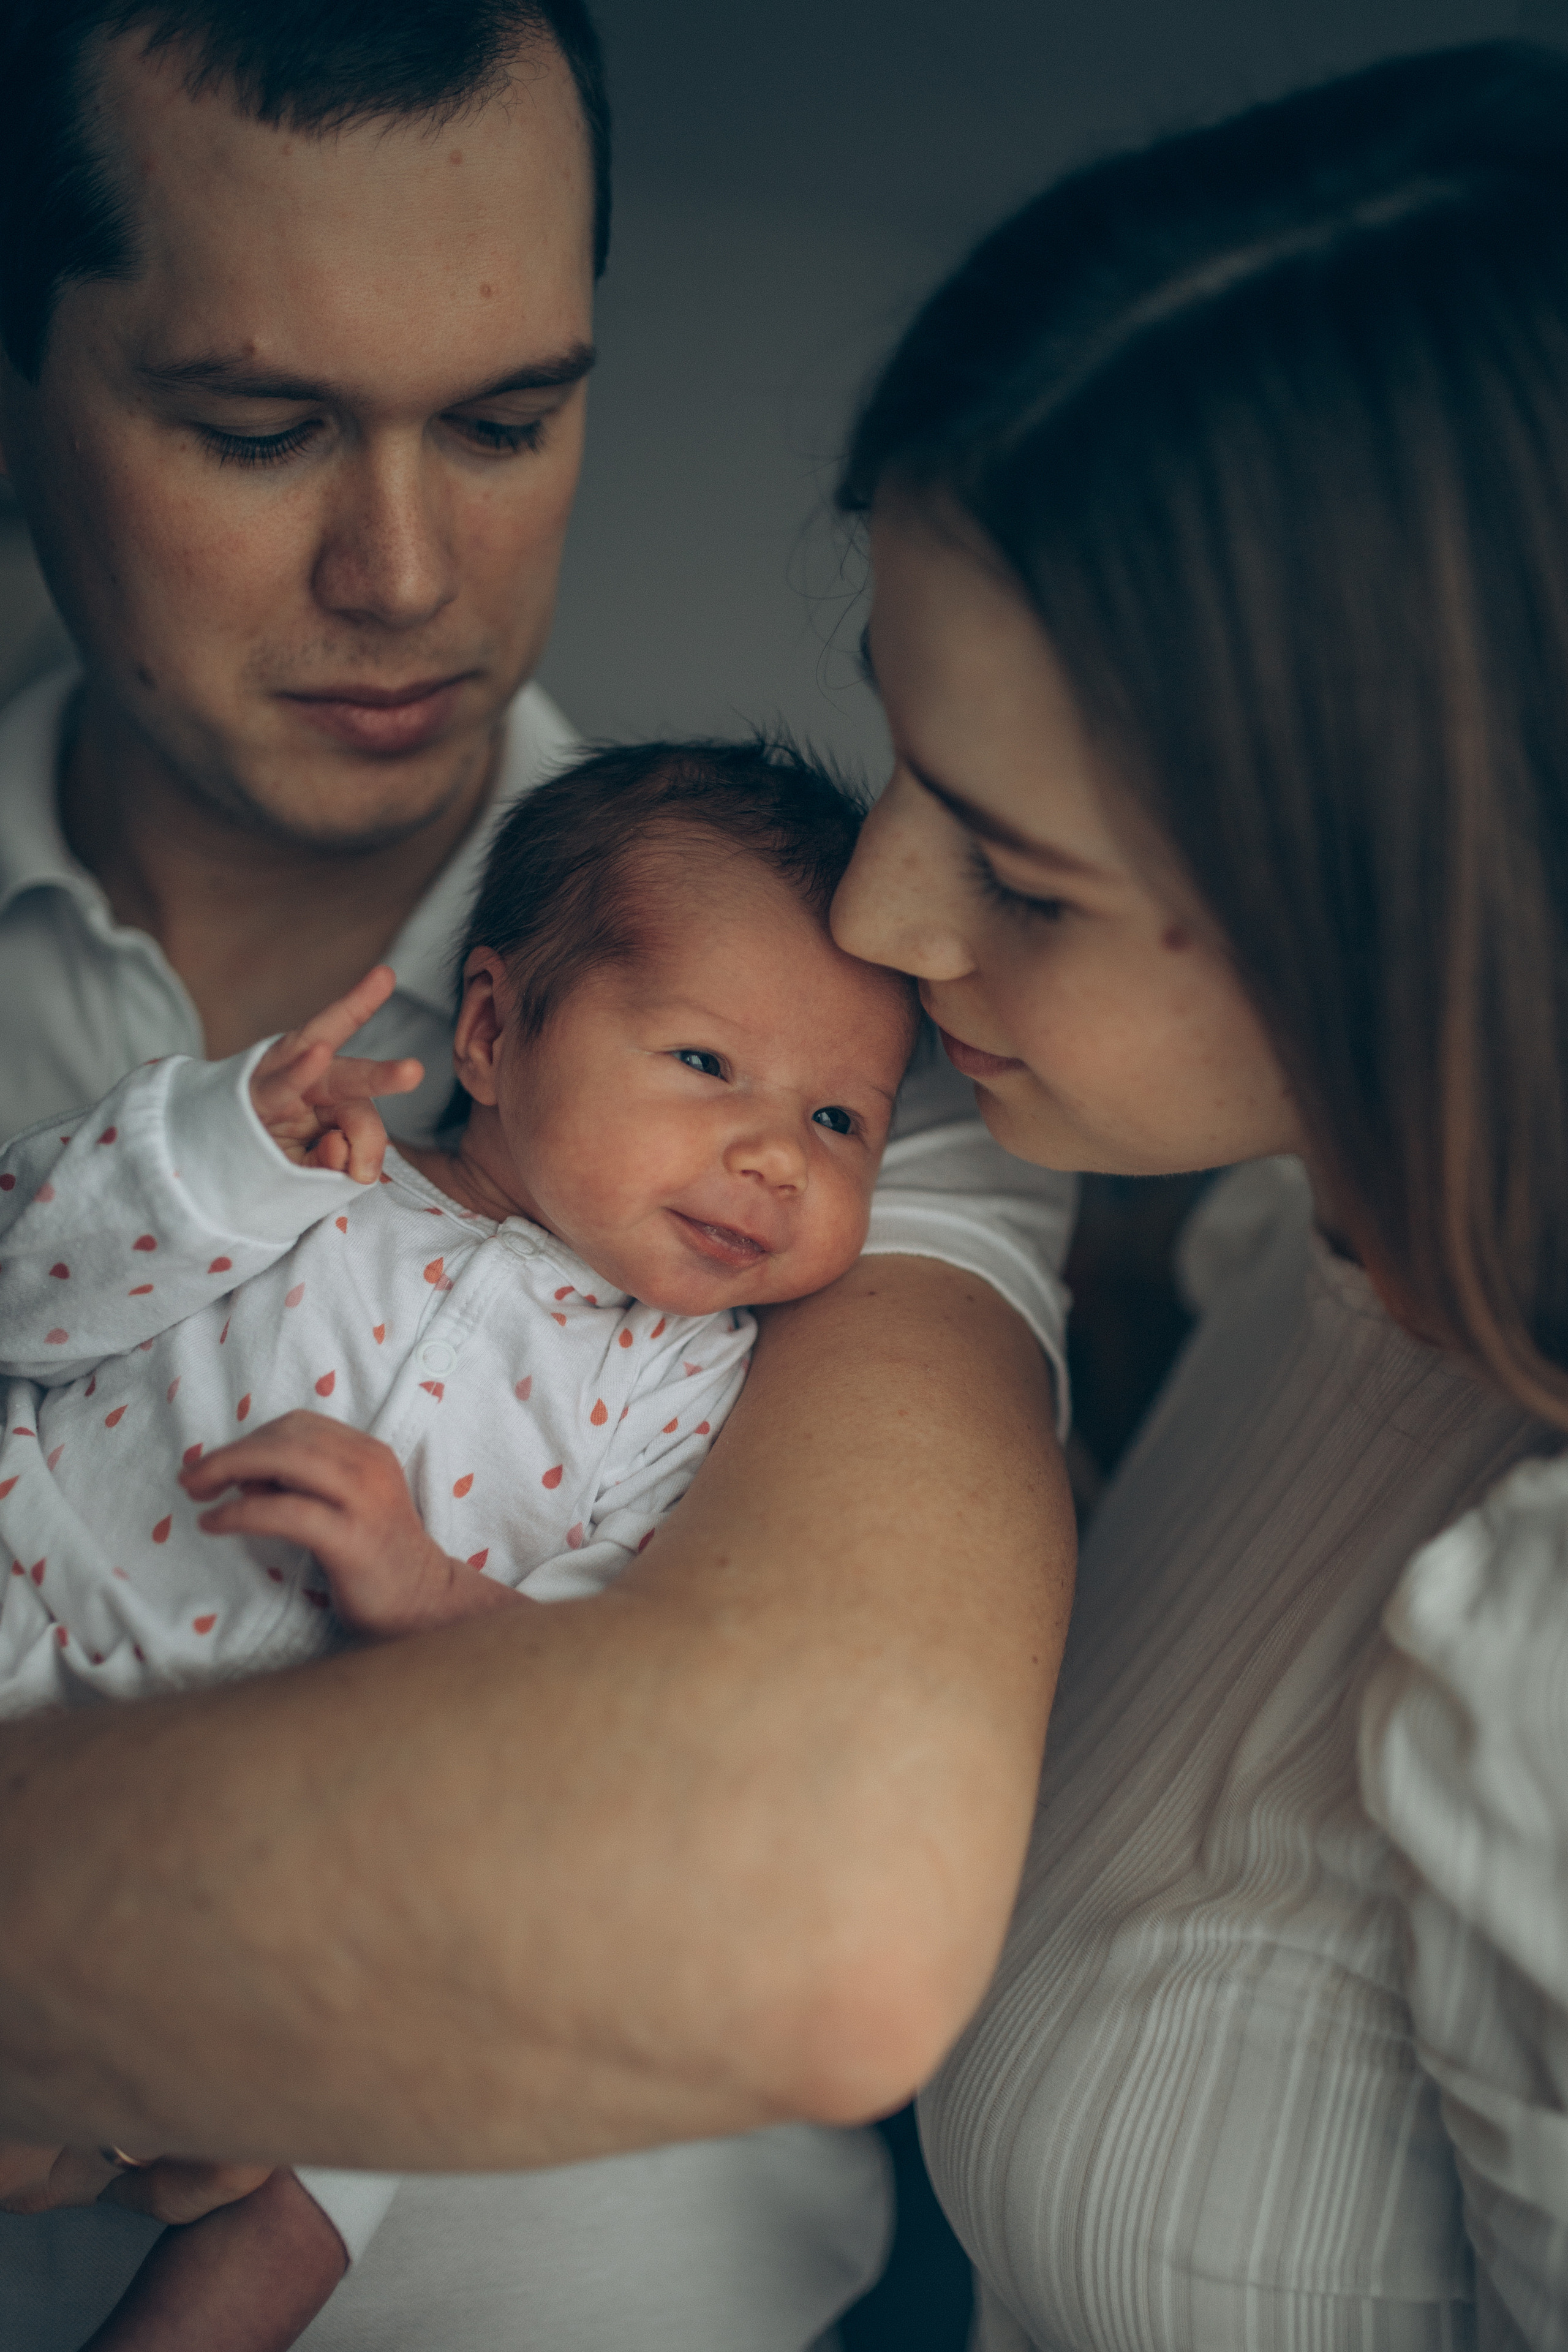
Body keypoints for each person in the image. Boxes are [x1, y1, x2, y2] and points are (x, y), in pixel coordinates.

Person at [0, 6, 1076, 2349]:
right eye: (254, 424)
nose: (403, 572)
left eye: (506, 419)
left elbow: (801, 1868)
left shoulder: (899, 1029)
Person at [825, 37, 1568, 2350]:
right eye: (894, 748)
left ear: (1420, 905)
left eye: (1022, 879)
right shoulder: (1310, 1218)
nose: (874, 915)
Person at [1, 739, 921, 2350]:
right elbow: (30, 1292)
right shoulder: (309, 1184)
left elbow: (600, 1695)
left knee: (376, 2105)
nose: (778, 1155)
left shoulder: (690, 1387)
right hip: (27, 1624)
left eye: (841, 1117)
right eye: (708, 1065)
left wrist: (429, 1591)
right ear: (492, 1031)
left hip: (266, 1847)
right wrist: (221, 1150)